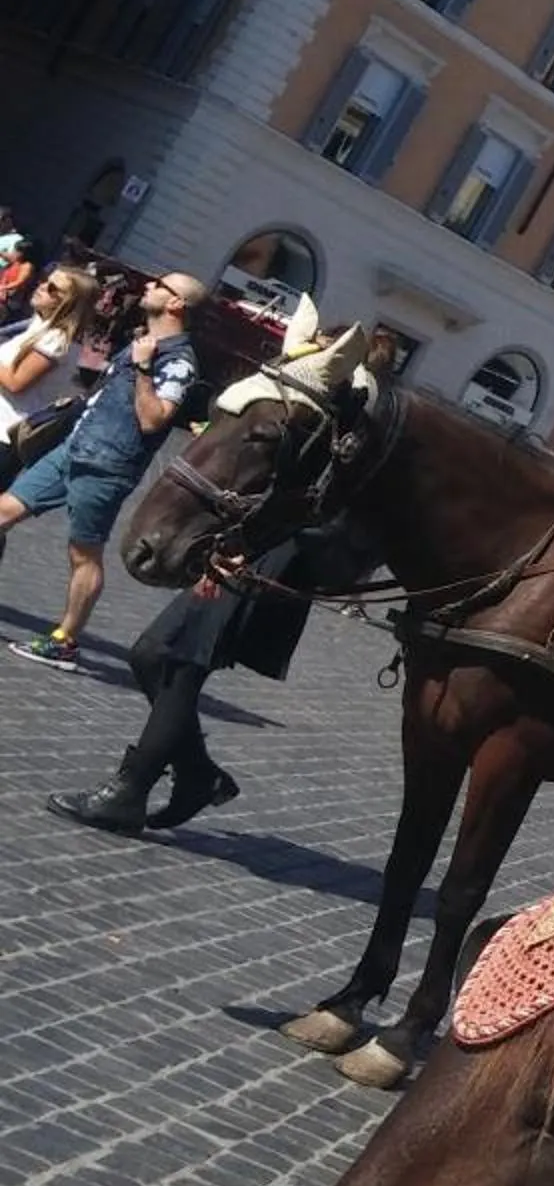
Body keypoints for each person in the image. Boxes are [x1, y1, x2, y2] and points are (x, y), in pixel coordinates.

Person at [46, 524, 361, 833]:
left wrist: (251, 541)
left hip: (279, 552)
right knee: (155, 656)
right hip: (261, 542)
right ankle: (195, 775)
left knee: (173, 656)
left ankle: (131, 792)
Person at [0, 269, 203, 669]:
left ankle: (66, 640)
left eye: (159, 285)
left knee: (83, 553)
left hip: (107, 465)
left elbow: (154, 420)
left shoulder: (180, 361)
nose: (149, 286)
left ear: (177, 303)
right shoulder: (142, 341)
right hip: (73, 448)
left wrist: (144, 369)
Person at [0, 262, 96, 502]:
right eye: (45, 280)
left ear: (70, 302)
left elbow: (15, 382)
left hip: (5, 432)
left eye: (53, 289)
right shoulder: (40, 325)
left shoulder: (56, 340)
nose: (42, 287)